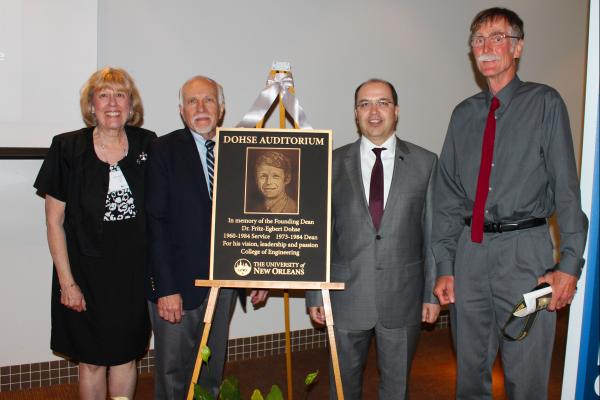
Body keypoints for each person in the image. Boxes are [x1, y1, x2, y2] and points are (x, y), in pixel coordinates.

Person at [432, 7, 588, 399]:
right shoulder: (463, 115)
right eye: (478, 40)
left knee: (527, 372)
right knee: (469, 372)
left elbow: (567, 191)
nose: (486, 47)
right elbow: (448, 198)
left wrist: (569, 265)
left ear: (517, 48)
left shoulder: (545, 104)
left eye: (497, 37)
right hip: (470, 255)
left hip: (526, 259)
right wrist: (446, 265)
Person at [306, 79, 440, 399]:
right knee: (342, 386)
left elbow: (433, 234)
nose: (374, 111)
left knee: (396, 388)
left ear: (396, 110)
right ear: (356, 114)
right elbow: (318, 234)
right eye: (365, 104)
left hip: (403, 298)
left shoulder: (426, 163)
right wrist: (315, 294)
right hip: (345, 296)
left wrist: (431, 295)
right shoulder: (331, 162)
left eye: (382, 102)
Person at [33, 67, 155, 399]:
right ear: (91, 105)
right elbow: (54, 222)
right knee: (90, 362)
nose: (112, 103)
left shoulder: (148, 144)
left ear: (131, 105)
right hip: (83, 273)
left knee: (126, 357)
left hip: (131, 274)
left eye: (120, 95)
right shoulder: (67, 148)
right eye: (103, 95)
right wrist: (67, 282)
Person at [146, 75, 268, 399]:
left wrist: (257, 273)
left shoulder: (241, 151)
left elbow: (250, 218)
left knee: (212, 375)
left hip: (225, 284)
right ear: (181, 110)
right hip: (178, 288)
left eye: (209, 100)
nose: (201, 108)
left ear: (222, 108)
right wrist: (166, 288)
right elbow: (155, 222)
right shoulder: (163, 150)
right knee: (173, 377)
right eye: (192, 101)